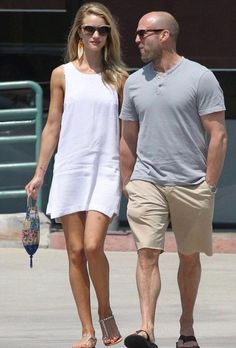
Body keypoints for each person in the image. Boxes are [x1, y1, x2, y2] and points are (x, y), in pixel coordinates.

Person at [120, 11, 227, 348]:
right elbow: (126, 138)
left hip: (191, 183)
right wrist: (129, 183)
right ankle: (146, 329)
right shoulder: (134, 81)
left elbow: (218, 134)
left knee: (189, 257)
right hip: (147, 182)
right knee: (146, 254)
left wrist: (208, 183)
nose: (136, 40)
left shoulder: (201, 77)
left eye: (142, 33)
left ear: (164, 35)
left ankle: (186, 327)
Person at [25, 2, 127, 348]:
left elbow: (127, 133)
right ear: (79, 34)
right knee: (74, 252)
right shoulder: (62, 74)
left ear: (109, 34)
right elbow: (53, 125)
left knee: (93, 245)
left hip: (106, 168)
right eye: (89, 29)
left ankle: (105, 309)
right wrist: (40, 172)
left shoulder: (119, 78)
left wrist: (130, 175)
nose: (96, 34)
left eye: (102, 29)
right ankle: (87, 331)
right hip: (71, 168)